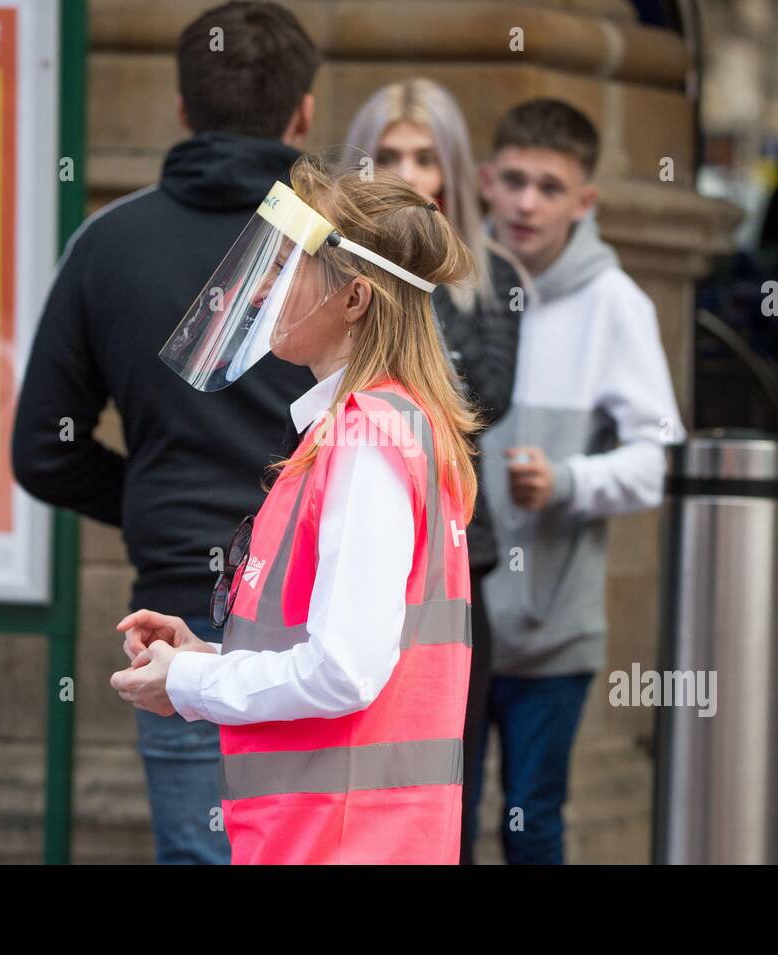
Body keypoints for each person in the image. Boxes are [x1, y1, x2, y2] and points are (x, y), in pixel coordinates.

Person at [10, 1, 320, 865]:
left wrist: (154, 498)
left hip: (184, 607)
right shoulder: (344, 252)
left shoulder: (107, 245)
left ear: (182, 108)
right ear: (304, 112)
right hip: (330, 610)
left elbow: (42, 448)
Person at [110, 155, 479, 864]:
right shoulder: (384, 424)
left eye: (289, 266)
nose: (260, 292)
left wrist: (188, 680)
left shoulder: (365, 436)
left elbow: (343, 669)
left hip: (337, 842)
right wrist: (207, 658)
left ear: (355, 299)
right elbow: (350, 652)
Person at [474, 99, 686, 864]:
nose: (528, 203)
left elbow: (657, 458)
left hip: (550, 632)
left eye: (551, 187)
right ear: (486, 181)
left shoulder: (615, 305)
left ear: (584, 200)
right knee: (439, 827)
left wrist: (567, 479)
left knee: (532, 822)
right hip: (451, 623)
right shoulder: (454, 282)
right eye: (516, 181)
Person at [344, 77, 530, 864]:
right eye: (389, 155)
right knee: (354, 779)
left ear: (451, 170)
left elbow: (479, 400)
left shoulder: (493, 278)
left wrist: (411, 285)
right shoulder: (329, 273)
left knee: (446, 784)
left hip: (453, 565)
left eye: (425, 157)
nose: (409, 174)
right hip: (349, 551)